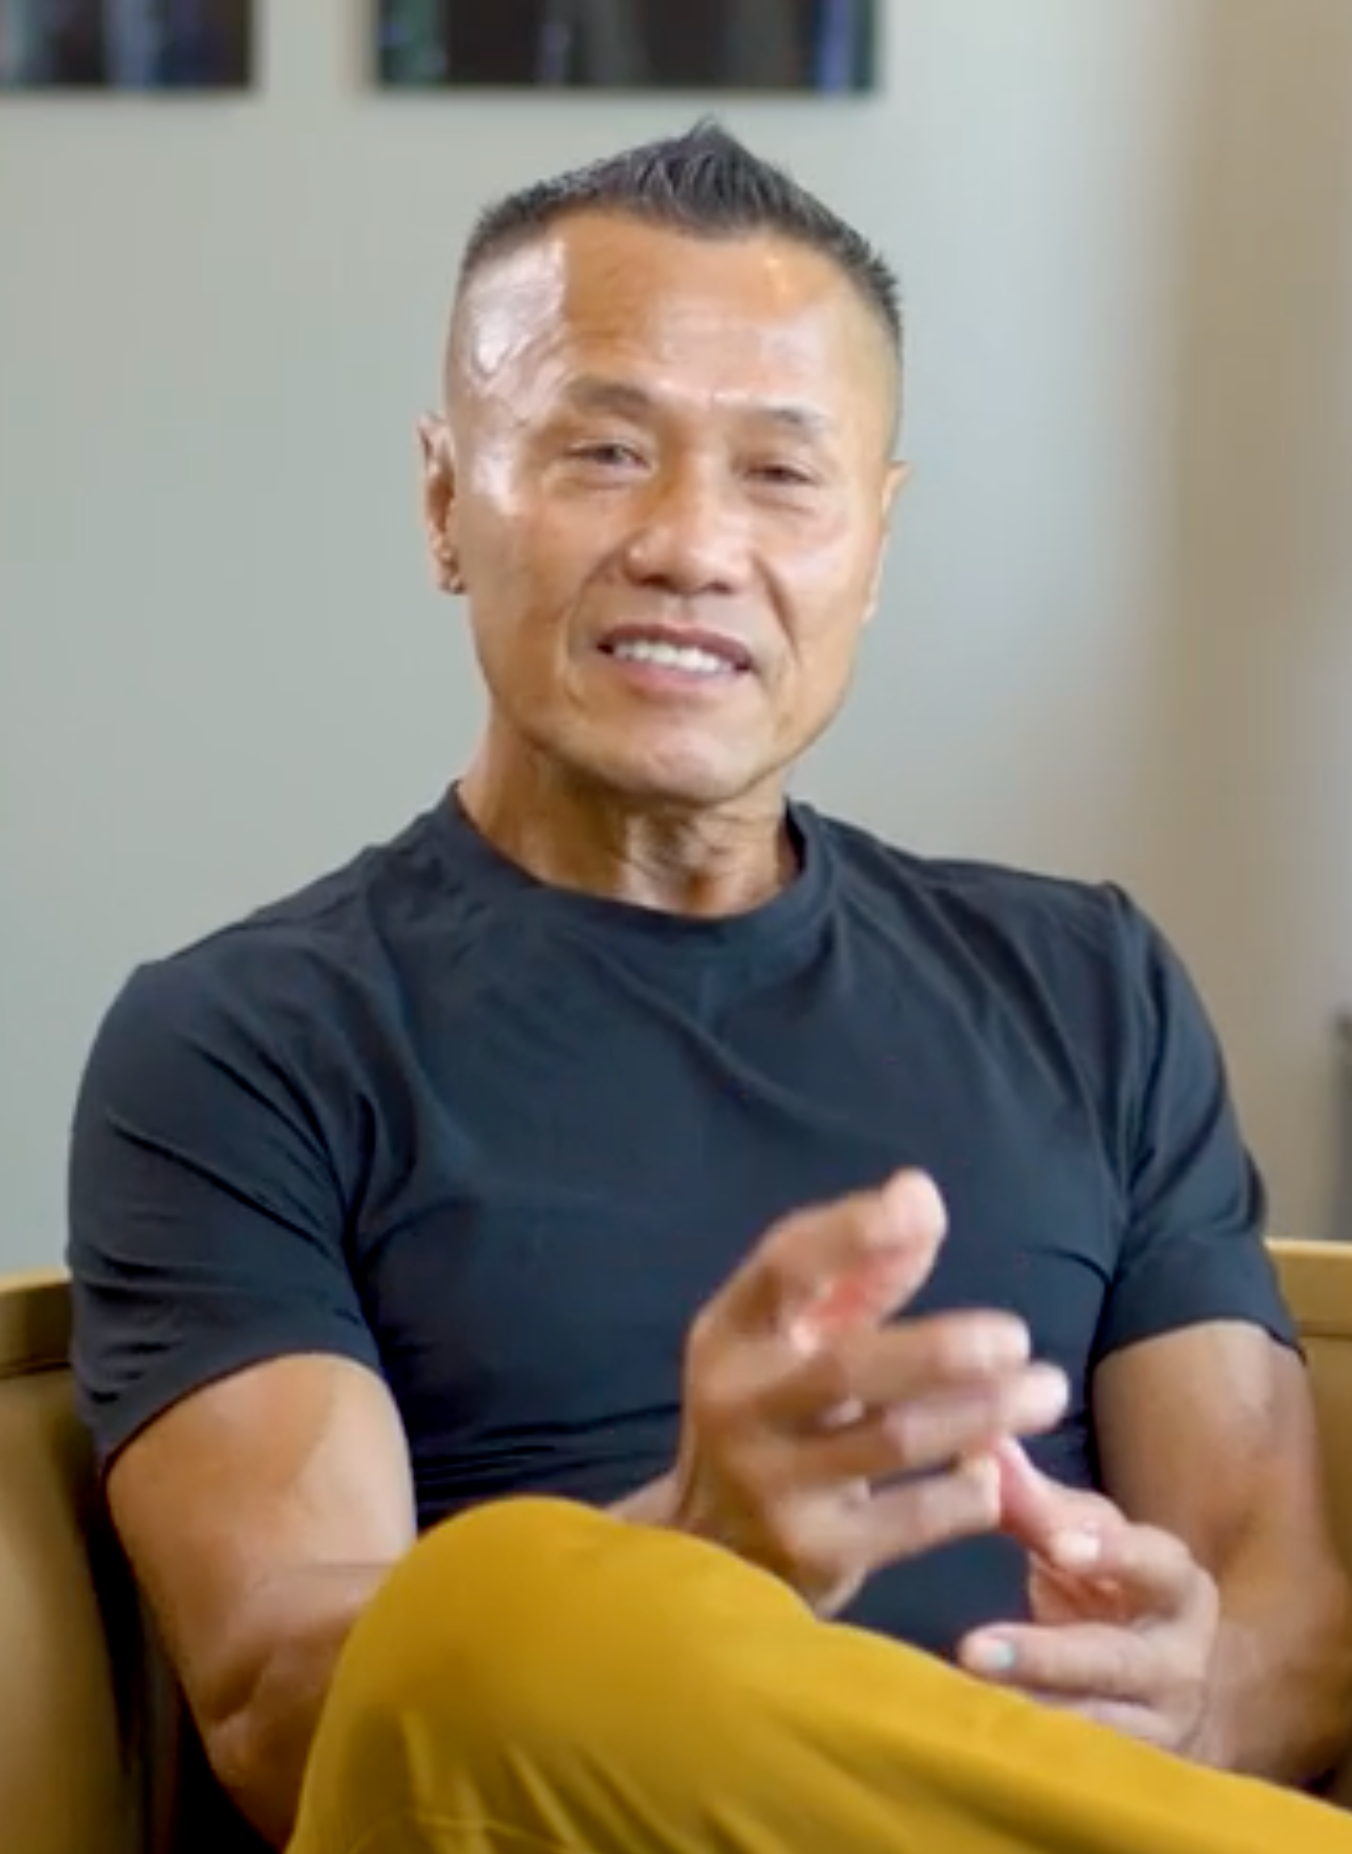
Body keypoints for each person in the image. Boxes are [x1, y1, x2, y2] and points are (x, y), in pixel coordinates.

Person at [66, 121, 1352, 1854]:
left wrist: (1195, 1685)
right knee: (490, 1609)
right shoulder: (240, 1045)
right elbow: (302, 1714)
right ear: (447, 502)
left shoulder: (1087, 981)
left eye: (780, 473)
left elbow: (1287, 1607)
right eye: (603, 450)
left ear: (874, 545)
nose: (689, 542)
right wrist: (692, 1548)